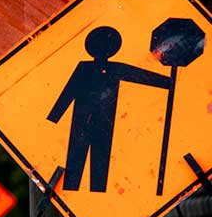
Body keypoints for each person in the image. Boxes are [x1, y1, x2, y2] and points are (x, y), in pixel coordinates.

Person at [47, 26, 171, 192]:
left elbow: (139, 75)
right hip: (81, 122)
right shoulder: (84, 68)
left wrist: (168, 82)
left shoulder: (115, 68)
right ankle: (72, 190)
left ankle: (96, 193)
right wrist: (54, 117)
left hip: (104, 123)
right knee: (75, 163)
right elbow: (68, 92)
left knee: (100, 164)